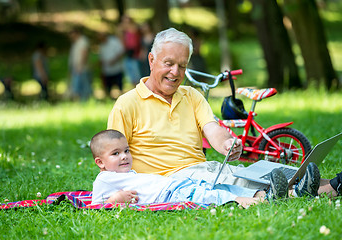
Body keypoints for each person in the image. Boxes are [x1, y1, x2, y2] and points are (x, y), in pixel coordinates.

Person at [107, 27, 342, 198]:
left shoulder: (192, 96)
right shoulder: (127, 104)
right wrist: (122, 193)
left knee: (262, 170)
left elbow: (212, 129)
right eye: (168, 63)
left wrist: (228, 143)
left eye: (182, 65)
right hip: (171, 180)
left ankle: (328, 184)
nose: (175, 72)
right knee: (241, 179)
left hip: (203, 170)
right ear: (151, 60)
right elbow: (111, 156)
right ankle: (322, 190)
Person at [90, 129, 291, 208]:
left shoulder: (126, 173)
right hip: (170, 193)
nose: (124, 156)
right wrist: (114, 200)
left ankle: (267, 194)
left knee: (221, 187)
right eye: (115, 154)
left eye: (126, 150)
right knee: (211, 196)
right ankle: (249, 202)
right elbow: (94, 207)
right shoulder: (104, 179)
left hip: (177, 183)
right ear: (100, 162)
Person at [98, 31, 125, 99]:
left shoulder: (114, 42)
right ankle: (109, 98)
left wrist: (114, 60)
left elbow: (121, 51)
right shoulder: (101, 45)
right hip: (107, 70)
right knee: (108, 86)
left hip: (117, 68)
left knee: (119, 86)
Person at [68, 27, 92, 101]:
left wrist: (80, 66)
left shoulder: (83, 41)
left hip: (82, 68)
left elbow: (84, 54)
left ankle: (86, 100)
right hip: (76, 68)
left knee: (84, 86)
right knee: (78, 86)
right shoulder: (76, 42)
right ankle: (82, 100)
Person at [117, 15, 141, 86]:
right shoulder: (125, 33)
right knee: (131, 78)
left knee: (137, 77)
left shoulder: (134, 30)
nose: (125, 24)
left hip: (135, 56)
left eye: (127, 22)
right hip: (128, 55)